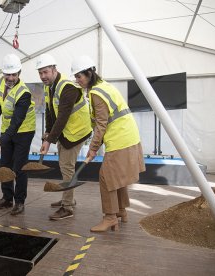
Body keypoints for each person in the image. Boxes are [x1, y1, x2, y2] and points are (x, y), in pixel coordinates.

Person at [71, 55, 145, 232]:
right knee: (117, 176)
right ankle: (121, 211)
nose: (77, 80)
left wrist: (93, 147)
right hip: (128, 135)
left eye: (79, 76)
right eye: (76, 77)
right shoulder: (104, 86)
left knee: (106, 177)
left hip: (120, 138)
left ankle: (110, 217)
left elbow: (101, 124)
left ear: (89, 73)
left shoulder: (96, 93)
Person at [36, 54, 92, 220]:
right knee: (64, 165)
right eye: (40, 73)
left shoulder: (68, 88)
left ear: (54, 69)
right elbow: (50, 112)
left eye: (45, 72)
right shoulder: (49, 87)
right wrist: (48, 132)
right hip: (66, 132)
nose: (43, 76)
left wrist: (48, 141)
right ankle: (69, 198)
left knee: (67, 167)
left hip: (77, 132)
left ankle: (67, 207)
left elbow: (62, 117)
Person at [0, 53, 36, 216]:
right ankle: (7, 198)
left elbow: (16, 122)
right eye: (8, 74)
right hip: (8, 128)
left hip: (24, 130)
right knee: (5, 165)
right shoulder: (0, 83)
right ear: (3, 74)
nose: (11, 78)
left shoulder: (24, 93)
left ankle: (19, 201)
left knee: (19, 167)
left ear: (19, 73)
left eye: (14, 74)